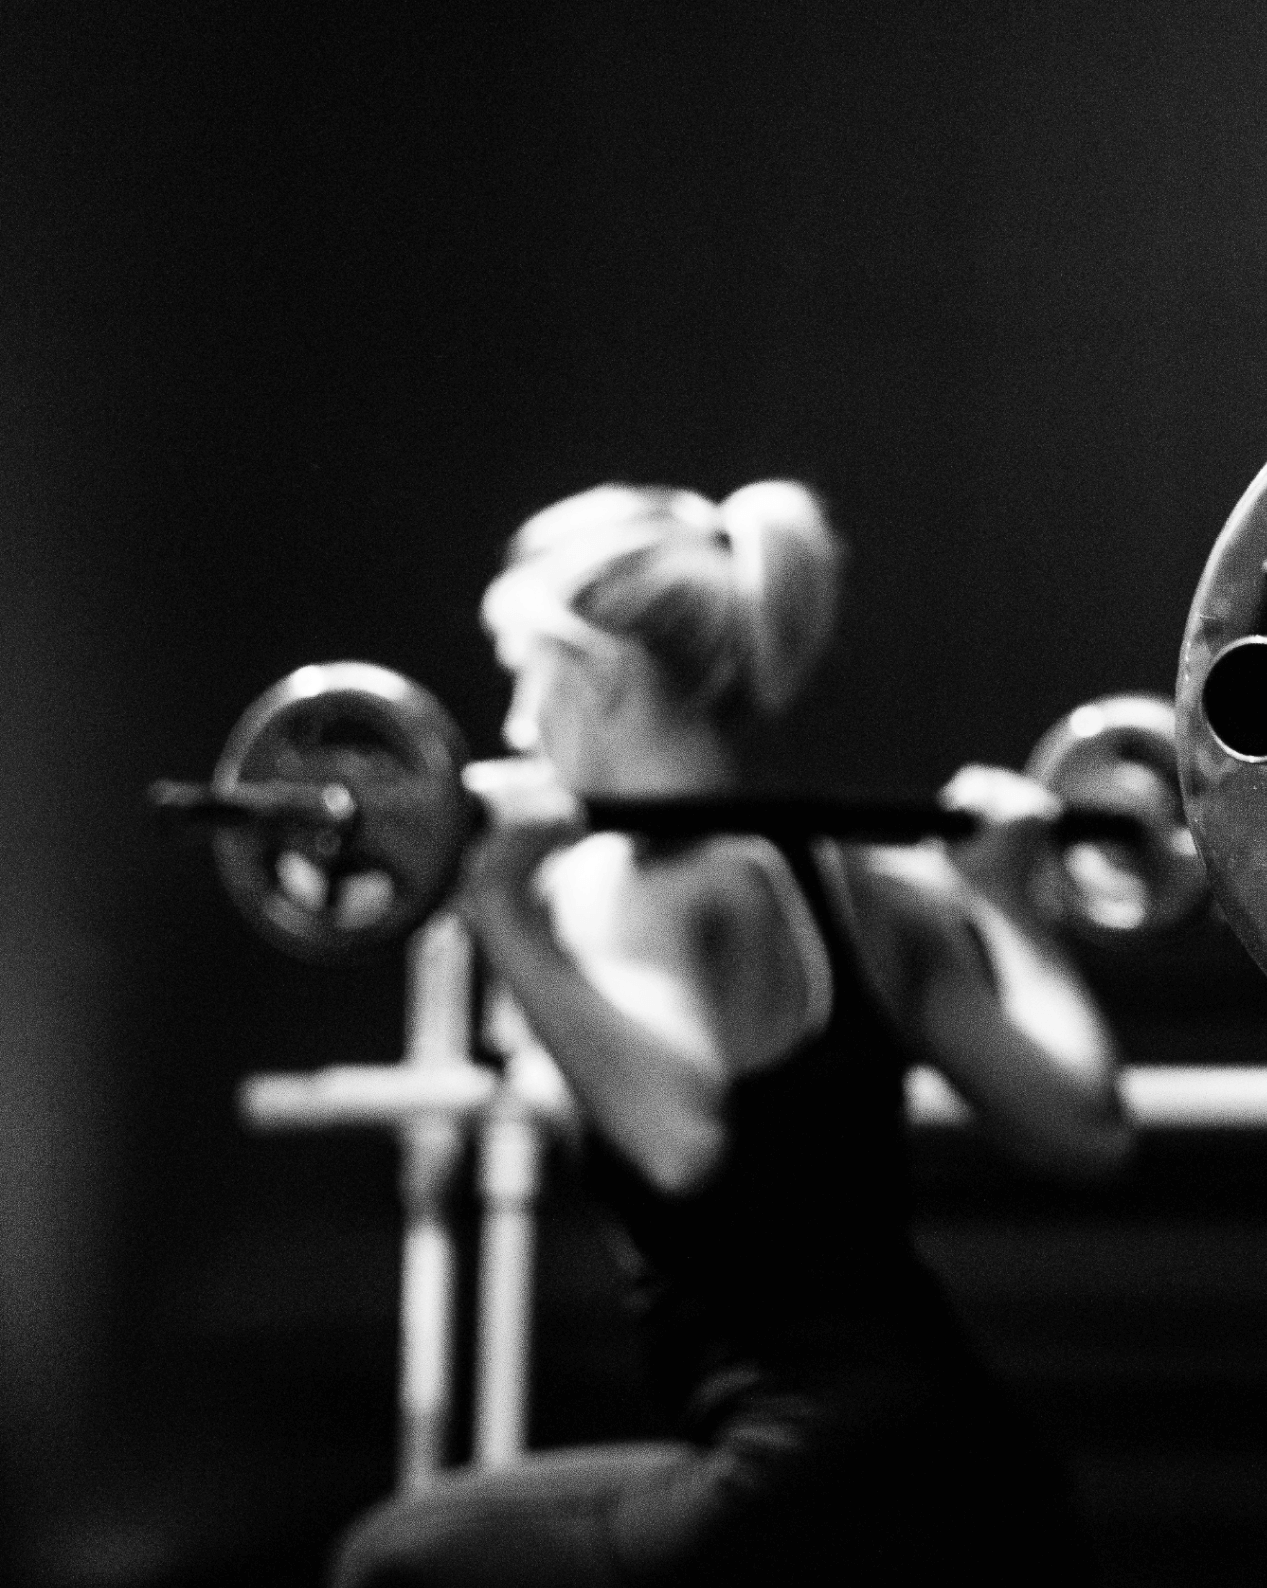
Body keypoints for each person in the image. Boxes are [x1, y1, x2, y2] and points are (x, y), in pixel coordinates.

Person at [332, 481, 1127, 1587]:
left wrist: (503, 913)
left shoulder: (618, 888)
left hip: (808, 1480)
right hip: (974, 1471)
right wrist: (1004, 903)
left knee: (397, 1562)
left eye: (526, 670)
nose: (513, 722)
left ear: (599, 676)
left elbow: (677, 1138)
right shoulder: (876, 885)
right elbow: (1084, 1126)